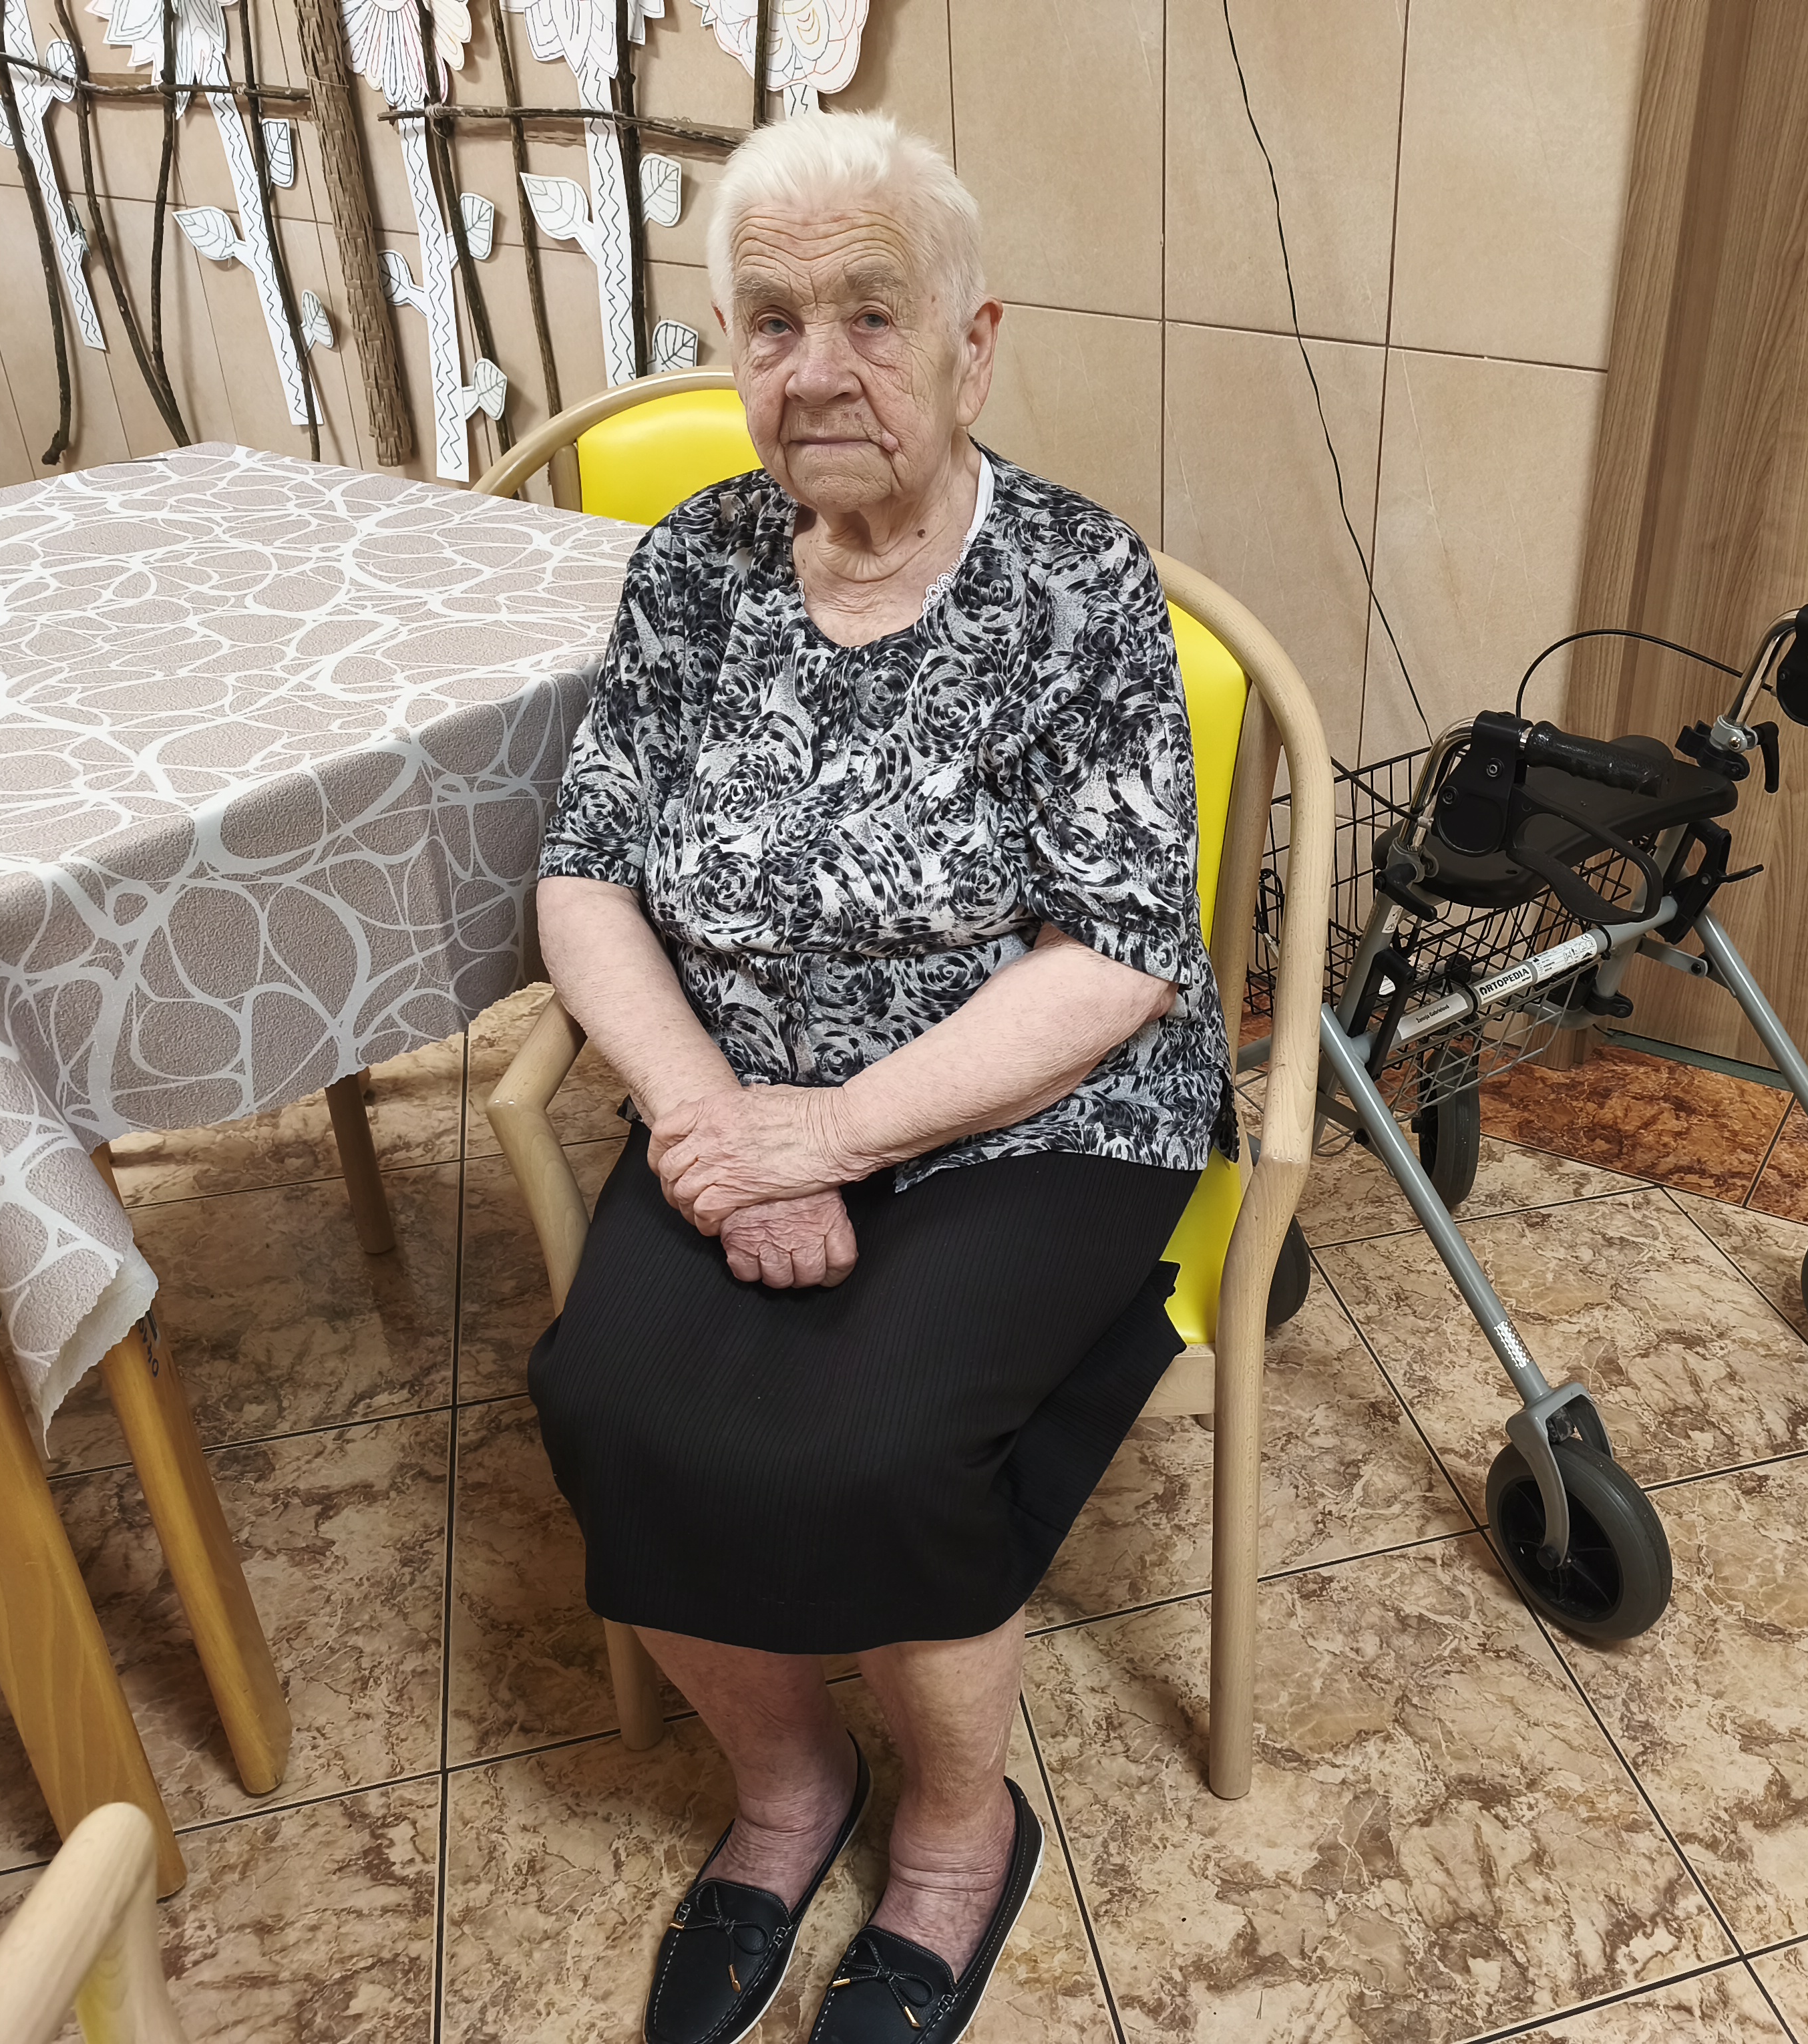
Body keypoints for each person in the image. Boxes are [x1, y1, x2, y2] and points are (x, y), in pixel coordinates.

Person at [527, 110, 1229, 2044]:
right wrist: (713, 1123)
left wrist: (827, 1134)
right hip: (738, 1097)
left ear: (972, 345)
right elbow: (585, 873)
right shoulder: (695, 568)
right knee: (606, 1400)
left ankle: (956, 1831)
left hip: (1045, 1114)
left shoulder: (1076, 583)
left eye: (870, 313)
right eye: (771, 322)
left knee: (878, 1444)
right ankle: (786, 1789)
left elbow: (1122, 952)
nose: (816, 367)